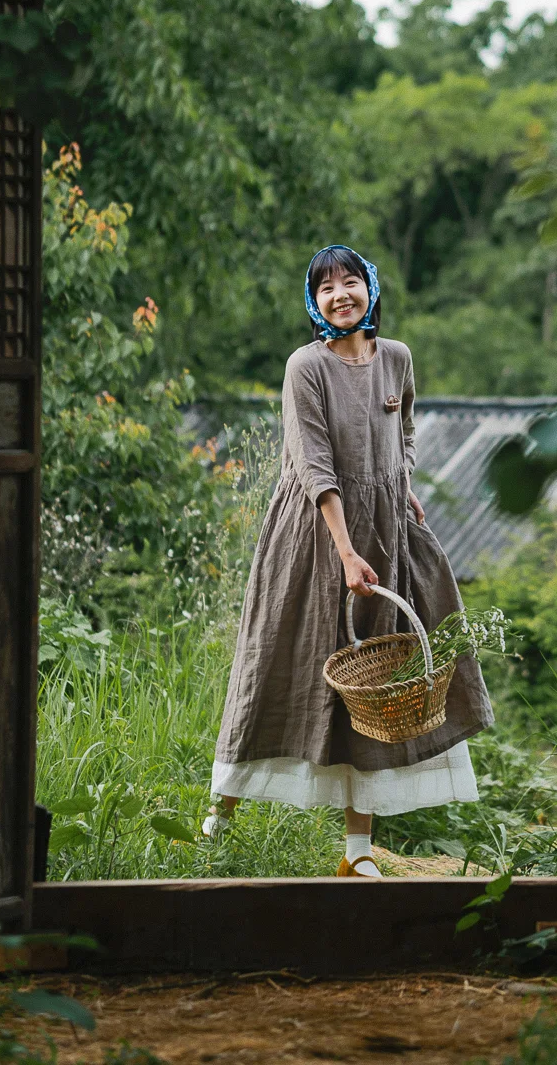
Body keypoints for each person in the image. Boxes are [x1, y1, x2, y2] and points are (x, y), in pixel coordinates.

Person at [206, 244, 494, 876]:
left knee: (374, 683)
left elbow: (405, 429)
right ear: (315, 301)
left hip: (385, 533)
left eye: (352, 281)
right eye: (327, 286)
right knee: (277, 663)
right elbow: (312, 463)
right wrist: (344, 551)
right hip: (315, 533)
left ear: (371, 288)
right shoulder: (304, 366)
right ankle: (216, 819)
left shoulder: (397, 358)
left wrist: (401, 482)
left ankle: (357, 851)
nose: (342, 294)